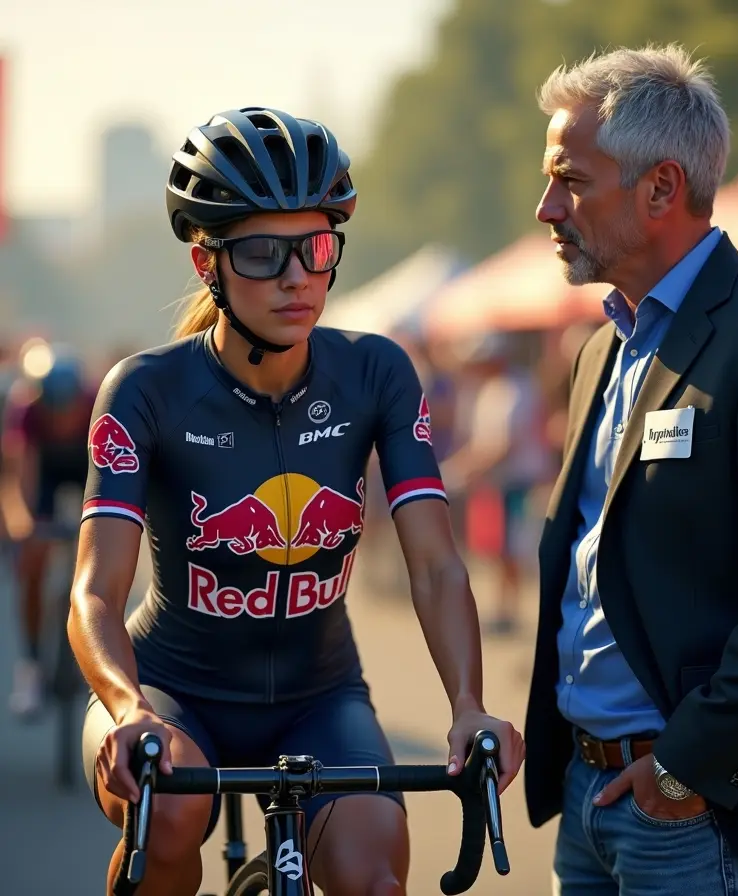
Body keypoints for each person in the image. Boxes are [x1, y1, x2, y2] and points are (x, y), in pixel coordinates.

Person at [70, 107, 525, 896]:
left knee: (373, 877)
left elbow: (438, 568)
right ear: (206, 261)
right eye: (261, 252)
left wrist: (468, 707)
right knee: (168, 818)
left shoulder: (376, 373)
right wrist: (125, 707)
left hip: (321, 700)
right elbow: (93, 592)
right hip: (169, 696)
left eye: (316, 249)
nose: (295, 277)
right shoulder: (145, 390)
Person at [523, 45, 738, 895]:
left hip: (694, 807)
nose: (546, 207)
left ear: (662, 189)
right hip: (594, 794)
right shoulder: (601, 346)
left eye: (570, 180)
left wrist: (689, 764)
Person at [1, 340, 96, 716]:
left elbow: (111, 476)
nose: (60, 418)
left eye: (66, 410)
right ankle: (32, 666)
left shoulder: (93, 406)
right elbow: (18, 477)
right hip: (45, 473)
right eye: (51, 410)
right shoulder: (27, 411)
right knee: (32, 562)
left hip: (84, 464)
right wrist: (24, 524)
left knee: (94, 559)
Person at [441, 333, 552, 635]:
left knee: (511, 548)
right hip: (497, 480)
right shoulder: (491, 389)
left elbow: (502, 445)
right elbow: (482, 443)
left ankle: (509, 610)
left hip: (516, 479)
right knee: (495, 547)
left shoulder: (516, 388)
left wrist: (461, 469)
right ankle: (502, 608)